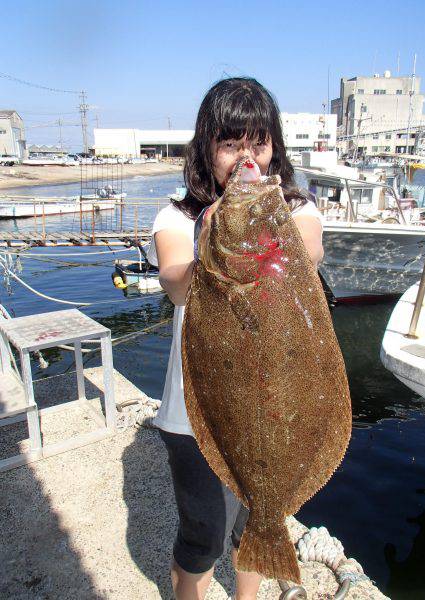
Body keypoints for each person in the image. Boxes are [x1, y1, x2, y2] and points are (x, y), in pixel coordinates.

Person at [148, 77, 324, 600]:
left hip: (276, 406)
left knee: (259, 521)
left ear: (275, 148)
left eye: (259, 143)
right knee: (202, 539)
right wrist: (215, 242)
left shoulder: (296, 211)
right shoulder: (179, 218)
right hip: (195, 414)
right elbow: (176, 282)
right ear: (207, 148)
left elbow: (308, 257)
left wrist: (261, 223)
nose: (247, 157)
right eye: (230, 143)